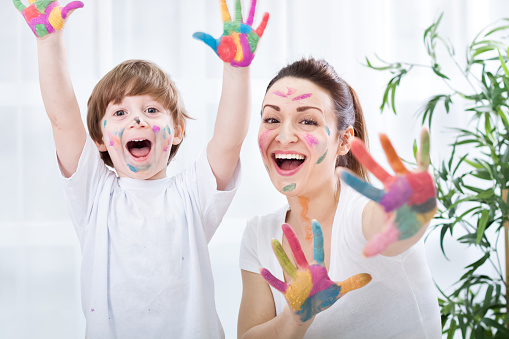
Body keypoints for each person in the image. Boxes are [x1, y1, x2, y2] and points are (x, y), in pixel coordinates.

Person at [13, 0, 268, 337]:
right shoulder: (93, 191)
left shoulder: (193, 194)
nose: (136, 118)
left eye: (151, 110)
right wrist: (48, 41)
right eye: (120, 113)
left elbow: (228, 141)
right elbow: (62, 118)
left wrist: (236, 71)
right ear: (100, 139)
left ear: (176, 131)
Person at [238, 58, 441, 338]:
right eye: (272, 119)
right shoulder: (259, 235)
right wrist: (294, 320)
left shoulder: (361, 213)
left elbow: (387, 227)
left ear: (344, 141)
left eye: (307, 121)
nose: (284, 136)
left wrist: (409, 213)